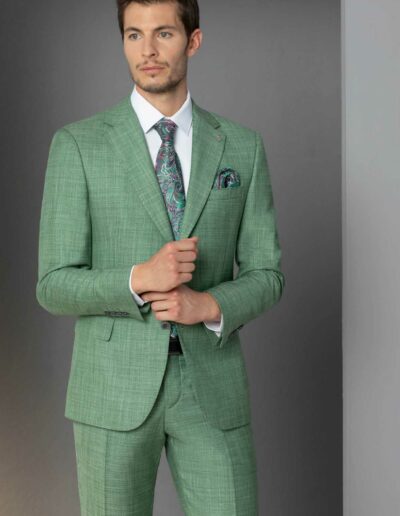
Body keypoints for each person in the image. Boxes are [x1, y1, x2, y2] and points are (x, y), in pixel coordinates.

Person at [36, 0, 285, 514]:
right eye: (134, 35)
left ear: (193, 40)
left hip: (212, 386)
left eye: (163, 34)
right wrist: (138, 279)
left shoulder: (243, 147)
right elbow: (53, 284)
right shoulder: (78, 145)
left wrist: (208, 305)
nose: (147, 50)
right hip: (112, 389)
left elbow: (267, 274)